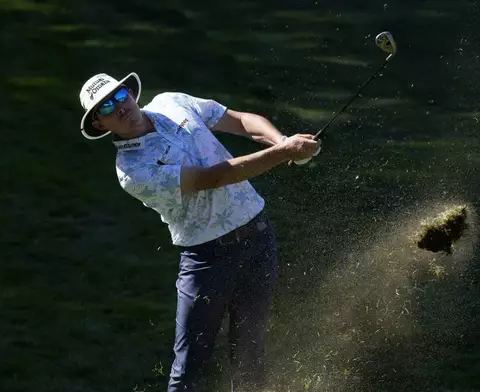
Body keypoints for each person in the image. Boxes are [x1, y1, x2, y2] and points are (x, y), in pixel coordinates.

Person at [77, 72, 320, 391]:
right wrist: (284, 153)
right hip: (207, 259)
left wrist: (283, 142)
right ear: (99, 124)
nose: (118, 106)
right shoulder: (132, 170)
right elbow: (212, 178)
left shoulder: (171, 102)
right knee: (190, 366)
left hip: (258, 237)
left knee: (250, 353)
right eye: (106, 107)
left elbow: (242, 121)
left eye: (119, 96)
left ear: (131, 94)